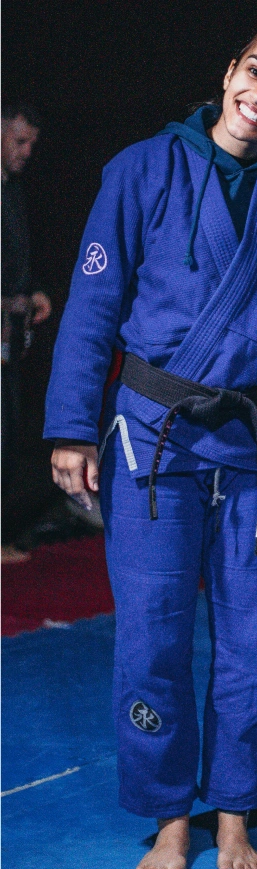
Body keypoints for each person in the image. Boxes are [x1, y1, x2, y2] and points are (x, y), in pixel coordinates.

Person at [44, 20, 257, 869]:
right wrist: (67, 428)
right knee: (152, 633)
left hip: (254, 443)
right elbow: (92, 306)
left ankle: (236, 808)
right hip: (153, 437)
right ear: (228, 72)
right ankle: (171, 814)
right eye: (256, 71)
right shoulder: (140, 169)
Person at [2, 102, 52, 563]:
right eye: (19, 141)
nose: (27, 151)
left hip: (7, 342)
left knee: (8, 431)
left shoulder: (12, 192)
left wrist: (31, 293)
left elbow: (16, 264)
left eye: (32, 143)